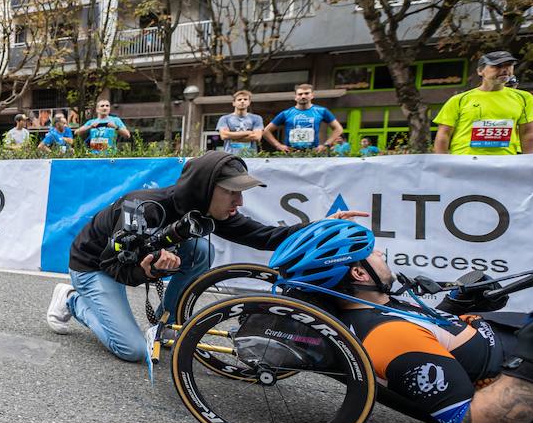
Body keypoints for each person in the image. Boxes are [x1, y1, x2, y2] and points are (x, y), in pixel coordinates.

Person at [45, 150, 366, 362]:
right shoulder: (141, 208)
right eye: (232, 192)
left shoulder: (207, 210)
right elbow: (118, 268)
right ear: (205, 187)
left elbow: (264, 236)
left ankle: (166, 323)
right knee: (131, 351)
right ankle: (72, 300)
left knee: (201, 249)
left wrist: (320, 226)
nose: (239, 201)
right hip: (96, 266)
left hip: (136, 261)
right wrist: (151, 271)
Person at [270, 219, 532, 423]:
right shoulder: (390, 337)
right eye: (371, 251)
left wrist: (455, 305)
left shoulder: (380, 305)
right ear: (359, 274)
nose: (381, 252)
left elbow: (433, 341)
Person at [432, 51, 533, 155]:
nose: (505, 69)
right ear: (480, 71)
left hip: (504, 164)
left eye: (509, 65)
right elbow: (444, 134)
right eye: (497, 66)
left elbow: (528, 134)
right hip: (464, 163)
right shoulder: (459, 100)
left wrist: (529, 164)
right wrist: (442, 166)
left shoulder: (524, 98)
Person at [264, 83, 343, 153]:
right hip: (291, 154)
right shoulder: (286, 113)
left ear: (312, 95)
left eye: (306, 93)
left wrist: (326, 145)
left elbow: (338, 129)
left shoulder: (322, 111)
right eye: (300, 94)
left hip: (313, 153)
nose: (303, 96)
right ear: (295, 97)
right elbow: (266, 131)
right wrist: (278, 145)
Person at [215, 90, 264, 156]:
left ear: (249, 102)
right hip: (230, 156)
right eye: (239, 99)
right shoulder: (225, 119)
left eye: (245, 99)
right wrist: (248, 132)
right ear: (233, 103)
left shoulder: (257, 118)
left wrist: (231, 136)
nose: (242, 101)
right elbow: (224, 136)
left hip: (251, 157)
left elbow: (257, 137)